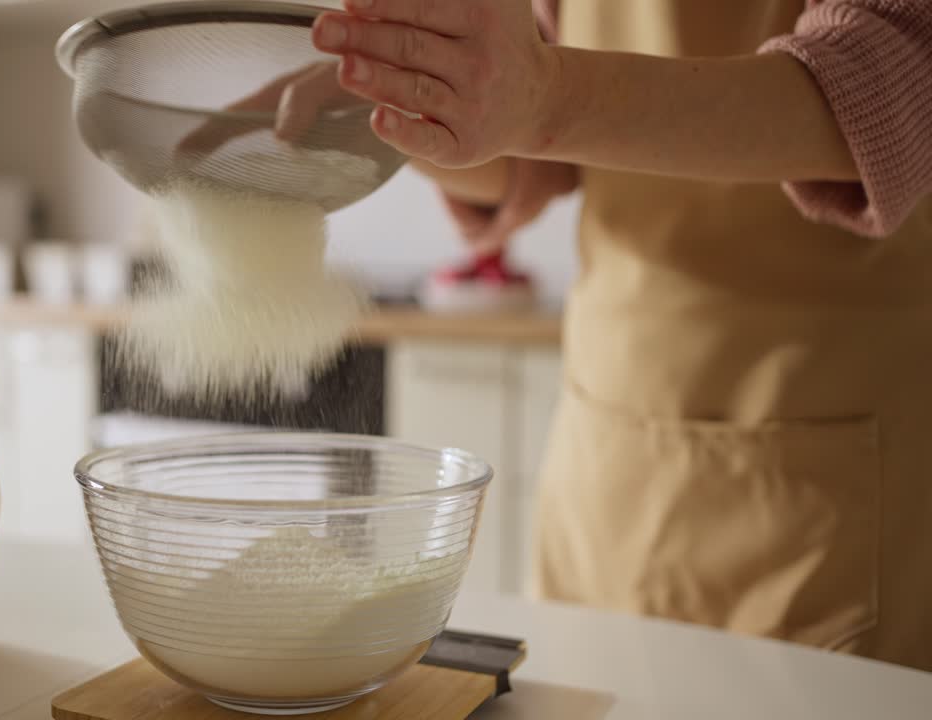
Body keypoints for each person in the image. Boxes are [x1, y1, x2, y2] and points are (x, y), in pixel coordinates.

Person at [296, 0, 932, 672]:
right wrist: (392, 106)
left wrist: (543, 95)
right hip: (606, 452)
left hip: (830, 466)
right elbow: (542, 141)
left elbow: (886, 85)